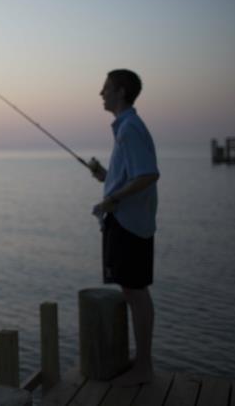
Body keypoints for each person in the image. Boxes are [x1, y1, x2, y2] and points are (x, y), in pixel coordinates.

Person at [89, 69, 159, 387]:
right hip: (127, 222)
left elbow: (148, 175)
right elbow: (132, 174)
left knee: (135, 291)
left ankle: (144, 366)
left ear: (120, 91)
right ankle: (141, 361)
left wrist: (111, 199)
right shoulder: (126, 128)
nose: (101, 94)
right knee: (132, 290)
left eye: (105, 88)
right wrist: (105, 175)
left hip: (130, 225)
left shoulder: (129, 128)